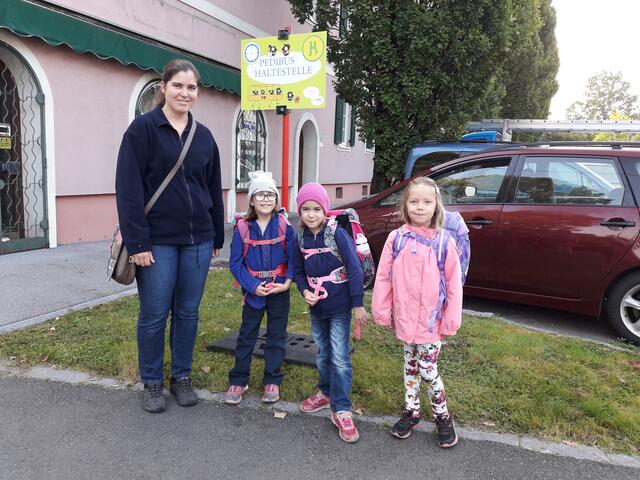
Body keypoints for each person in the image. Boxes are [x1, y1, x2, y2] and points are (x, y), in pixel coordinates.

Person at [115, 59, 224, 413]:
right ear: (163, 87)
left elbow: (212, 186)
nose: (185, 93)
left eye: (191, 87)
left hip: (198, 240)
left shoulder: (204, 136)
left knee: (188, 313)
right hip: (157, 241)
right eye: (178, 85)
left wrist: (217, 236)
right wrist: (138, 243)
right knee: (154, 312)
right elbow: (128, 190)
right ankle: (152, 383)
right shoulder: (142, 130)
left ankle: (181, 377)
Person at [371, 177, 462, 448]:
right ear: (405, 205)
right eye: (414, 201)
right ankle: (411, 412)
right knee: (410, 365)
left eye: (426, 202)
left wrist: (450, 321)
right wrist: (383, 311)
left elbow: (454, 285)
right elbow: (384, 278)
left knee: (427, 368)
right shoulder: (396, 239)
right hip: (405, 319)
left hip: (432, 323)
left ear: (436, 206)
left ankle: (442, 417)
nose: (420, 207)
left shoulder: (445, 242)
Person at [294, 182, 369, 443]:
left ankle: (342, 408)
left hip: (339, 307)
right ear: (299, 211)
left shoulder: (336, 233)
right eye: (306, 209)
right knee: (324, 352)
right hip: (316, 307)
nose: (311, 214)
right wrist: (304, 291)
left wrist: (357, 303)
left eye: (316, 208)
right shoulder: (300, 237)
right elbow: (298, 272)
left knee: (339, 357)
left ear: (325, 209)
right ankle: (325, 393)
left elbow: (354, 268)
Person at [225, 171, 296, 405]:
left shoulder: (285, 226)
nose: (266, 199)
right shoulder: (243, 228)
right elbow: (235, 263)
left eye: (270, 195)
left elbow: (294, 258)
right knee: (247, 335)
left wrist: (286, 282)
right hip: (254, 292)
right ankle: (239, 379)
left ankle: (272, 380)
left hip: (278, 291)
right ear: (252, 200)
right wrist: (252, 286)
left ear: (276, 200)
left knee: (276, 336)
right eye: (260, 194)